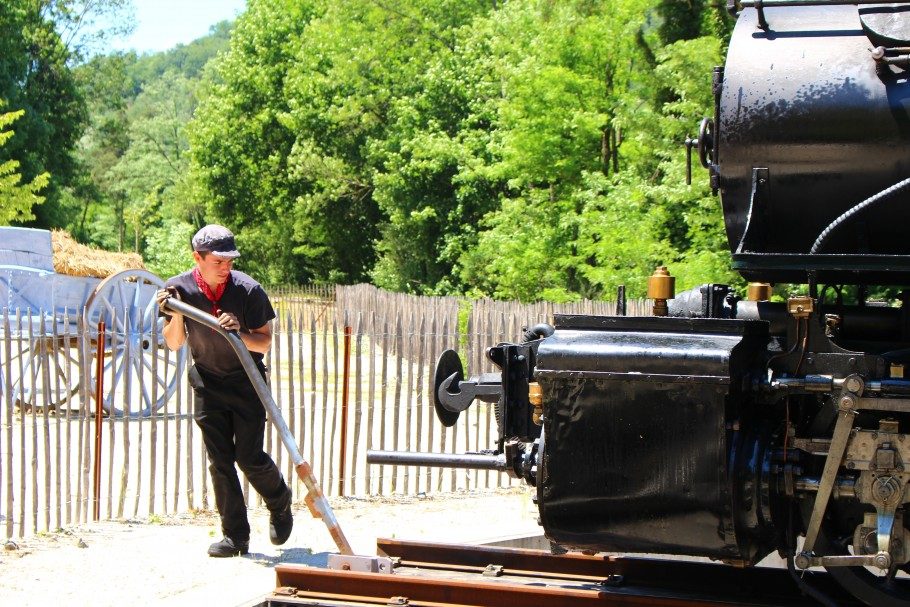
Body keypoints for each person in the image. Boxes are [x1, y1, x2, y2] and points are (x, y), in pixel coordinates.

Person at [155, 224, 293, 557]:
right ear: (197, 258)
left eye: (230, 260)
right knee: (220, 462)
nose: (226, 266)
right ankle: (236, 537)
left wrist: (239, 332)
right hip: (207, 381)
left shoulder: (249, 291)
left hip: (246, 382)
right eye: (218, 260)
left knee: (248, 457)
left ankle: (279, 501)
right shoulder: (178, 289)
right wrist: (173, 314)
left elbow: (264, 342)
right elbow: (173, 343)